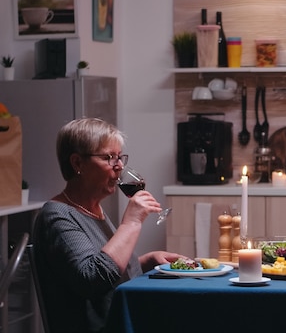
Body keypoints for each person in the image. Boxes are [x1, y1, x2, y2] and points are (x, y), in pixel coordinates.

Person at [32, 118, 188, 333]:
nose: (120, 166)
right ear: (77, 163)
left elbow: (109, 267)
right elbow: (92, 280)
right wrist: (131, 222)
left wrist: (146, 261)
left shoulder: (93, 210)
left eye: (119, 157)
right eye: (109, 158)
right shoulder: (57, 215)